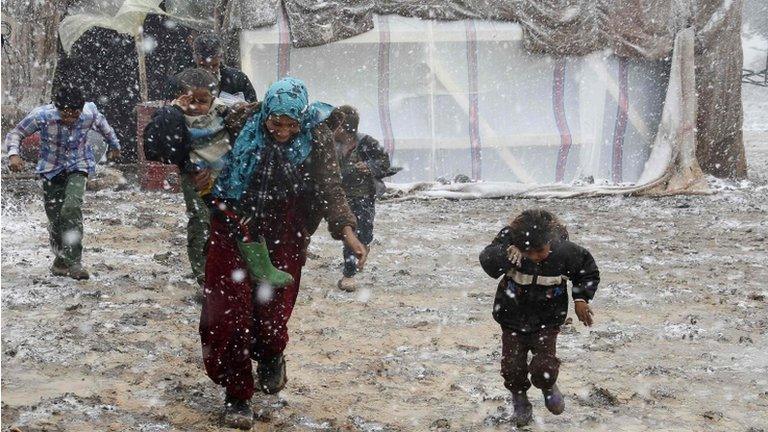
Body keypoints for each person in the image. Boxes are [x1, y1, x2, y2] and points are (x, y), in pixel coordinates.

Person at [200, 77, 368, 429]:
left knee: (273, 310)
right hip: (233, 221)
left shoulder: (316, 135)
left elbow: (329, 187)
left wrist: (348, 232)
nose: (283, 132)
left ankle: (272, 353)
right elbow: (194, 141)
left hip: (284, 228)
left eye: (291, 125)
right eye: (276, 123)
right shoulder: (239, 122)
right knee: (229, 313)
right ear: (265, 115)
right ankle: (238, 394)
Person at [479, 209, 600, 427]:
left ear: (549, 242)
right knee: (511, 367)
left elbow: (587, 270)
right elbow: (487, 262)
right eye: (529, 252)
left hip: (547, 320)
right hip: (512, 318)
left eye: (540, 251)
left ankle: (548, 386)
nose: (535, 257)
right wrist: (506, 254)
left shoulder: (564, 252)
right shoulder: (512, 249)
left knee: (544, 368)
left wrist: (581, 299)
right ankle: (520, 400)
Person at [144, 67, 251, 286]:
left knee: (229, 221)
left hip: (224, 175)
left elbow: (244, 128)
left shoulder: (223, 112)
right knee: (201, 221)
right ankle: (203, 273)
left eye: (202, 101)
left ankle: (230, 267)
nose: (196, 106)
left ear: (213, 98)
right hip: (195, 175)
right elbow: (158, 144)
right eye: (190, 100)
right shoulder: (175, 116)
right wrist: (173, 110)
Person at [4, 86, 120, 280]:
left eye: (75, 113)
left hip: (78, 166)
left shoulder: (89, 113)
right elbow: (16, 133)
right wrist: (14, 155)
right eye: (65, 113)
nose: (70, 118)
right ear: (57, 109)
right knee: (56, 220)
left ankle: (75, 262)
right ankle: (61, 259)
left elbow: (106, 129)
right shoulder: (42, 115)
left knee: (71, 209)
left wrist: (115, 146)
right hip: (51, 169)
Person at [332, 105, 391, 292]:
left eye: (337, 126)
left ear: (346, 128)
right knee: (349, 234)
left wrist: (368, 166)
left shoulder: (366, 143)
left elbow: (384, 162)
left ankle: (363, 247)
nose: (333, 130)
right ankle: (348, 274)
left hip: (364, 196)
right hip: (342, 197)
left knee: (365, 232)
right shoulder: (331, 146)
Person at [164, 33, 257, 103]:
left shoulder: (238, 79)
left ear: (221, 57)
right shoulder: (180, 82)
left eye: (214, 66)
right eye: (203, 66)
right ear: (195, 58)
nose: (209, 72)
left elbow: (253, 113)